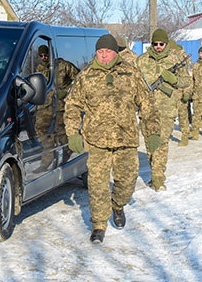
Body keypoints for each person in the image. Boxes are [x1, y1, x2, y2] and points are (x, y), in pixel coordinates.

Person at [64, 34, 161, 244]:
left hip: (125, 137)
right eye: (100, 52)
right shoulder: (86, 75)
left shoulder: (131, 73)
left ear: (115, 53)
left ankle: (118, 204)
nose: (104, 55)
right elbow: (72, 105)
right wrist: (73, 132)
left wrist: (152, 132)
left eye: (107, 51)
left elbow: (147, 104)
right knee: (97, 184)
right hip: (97, 140)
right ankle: (99, 224)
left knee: (127, 181)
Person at [135, 29, 190, 190]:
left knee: (162, 142)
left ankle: (158, 177)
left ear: (166, 44)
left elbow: (186, 81)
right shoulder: (142, 60)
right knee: (150, 142)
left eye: (161, 44)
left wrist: (173, 79)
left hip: (166, 109)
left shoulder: (175, 59)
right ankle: (155, 171)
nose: (158, 47)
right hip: (147, 109)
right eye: (155, 44)